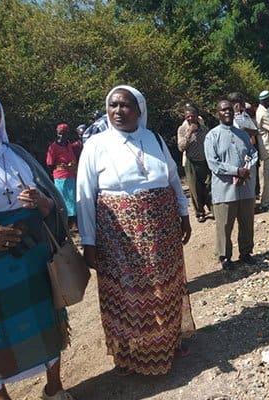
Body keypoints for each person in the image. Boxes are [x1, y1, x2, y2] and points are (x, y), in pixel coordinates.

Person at [76, 85, 194, 376]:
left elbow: (172, 180)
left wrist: (184, 213)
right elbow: (85, 196)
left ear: (139, 110)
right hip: (117, 237)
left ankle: (168, 342)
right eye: (113, 105)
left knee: (164, 287)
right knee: (126, 294)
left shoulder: (153, 138)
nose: (118, 111)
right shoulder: (96, 145)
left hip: (162, 230)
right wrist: (88, 242)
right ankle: (130, 355)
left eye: (125, 105)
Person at [0, 93, 74, 400]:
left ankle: (54, 387)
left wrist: (43, 202)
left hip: (33, 253)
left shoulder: (18, 154)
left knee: (46, 316)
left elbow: (49, 196)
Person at [204, 100, 259, 270]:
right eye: (223, 110)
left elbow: (253, 153)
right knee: (225, 225)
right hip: (225, 189)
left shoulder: (242, 134)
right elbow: (213, 163)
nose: (227, 112)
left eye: (229, 109)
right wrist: (236, 171)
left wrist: (246, 170)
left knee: (247, 222)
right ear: (217, 113)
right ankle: (225, 257)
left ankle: (246, 252)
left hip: (246, 187)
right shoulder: (212, 136)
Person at [177, 104, 211, 222]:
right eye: (188, 116)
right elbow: (181, 147)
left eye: (193, 116)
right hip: (191, 162)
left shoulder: (204, 128)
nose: (190, 118)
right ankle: (199, 212)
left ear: (197, 116)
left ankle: (211, 207)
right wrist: (189, 133)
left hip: (204, 161)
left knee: (208, 186)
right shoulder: (182, 129)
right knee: (194, 189)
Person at [46, 123, 81, 230]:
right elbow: (49, 163)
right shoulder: (53, 147)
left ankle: (74, 221)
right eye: (59, 134)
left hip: (72, 175)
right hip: (61, 176)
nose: (61, 136)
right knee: (64, 199)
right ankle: (68, 222)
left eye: (64, 134)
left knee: (74, 198)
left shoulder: (69, 145)